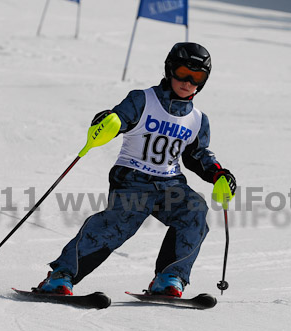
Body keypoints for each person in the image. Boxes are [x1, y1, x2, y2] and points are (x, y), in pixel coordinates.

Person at [37, 42, 237, 297]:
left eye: (196, 77)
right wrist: (108, 121)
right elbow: (120, 120)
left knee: (194, 210)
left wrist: (218, 173)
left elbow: (197, 155)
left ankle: (170, 278)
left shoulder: (198, 119)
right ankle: (61, 275)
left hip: (170, 183)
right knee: (118, 223)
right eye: (182, 73)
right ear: (169, 70)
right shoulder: (143, 100)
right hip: (132, 179)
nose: (187, 82)